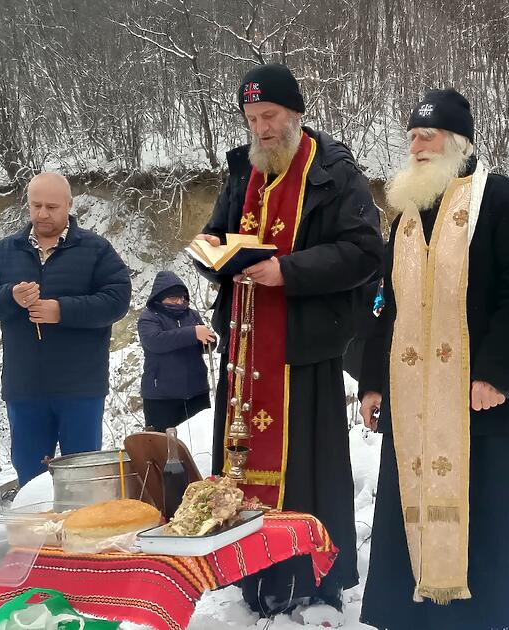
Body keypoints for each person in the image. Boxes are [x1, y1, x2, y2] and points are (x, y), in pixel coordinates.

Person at [193, 64, 382, 615]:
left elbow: (365, 252)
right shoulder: (242, 171)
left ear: (296, 114)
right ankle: (251, 574)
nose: (262, 130)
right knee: (239, 461)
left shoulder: (334, 172)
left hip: (302, 349)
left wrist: (288, 271)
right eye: (252, 119)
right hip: (245, 349)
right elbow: (214, 236)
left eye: (270, 117)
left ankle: (307, 576)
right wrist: (215, 258)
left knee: (305, 468)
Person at [359, 88, 509, 630]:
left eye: (428, 135)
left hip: (479, 403)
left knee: (490, 523)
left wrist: (495, 373)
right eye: (412, 136)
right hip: (415, 406)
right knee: (407, 518)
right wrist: (374, 383)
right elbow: (386, 303)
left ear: (458, 142)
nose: (416, 146)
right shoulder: (407, 216)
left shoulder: (502, 200)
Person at [0, 172, 131, 485]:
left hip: (81, 386)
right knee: (31, 479)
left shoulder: (95, 249)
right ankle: (37, 534)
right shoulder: (6, 251)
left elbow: (117, 299)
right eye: (36, 205)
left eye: (52, 207)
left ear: (69, 205)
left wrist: (62, 310)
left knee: (83, 477)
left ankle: (80, 532)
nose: (42, 213)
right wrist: (10, 296)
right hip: (25, 386)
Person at [138, 271, 215, 433]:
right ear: (160, 298)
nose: (180, 302)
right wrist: (193, 334)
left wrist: (208, 340)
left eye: (183, 298)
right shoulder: (150, 317)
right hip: (162, 397)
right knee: (162, 448)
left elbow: (204, 344)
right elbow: (155, 341)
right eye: (174, 298)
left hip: (196, 392)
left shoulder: (192, 315)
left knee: (199, 445)